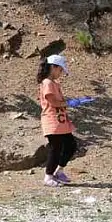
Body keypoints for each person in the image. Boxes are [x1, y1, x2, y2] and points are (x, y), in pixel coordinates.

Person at [37, 54, 79, 187]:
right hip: (52, 121)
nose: (61, 73)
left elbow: (59, 101)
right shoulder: (47, 83)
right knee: (55, 148)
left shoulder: (54, 83)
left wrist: (72, 102)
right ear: (53, 67)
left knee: (70, 145)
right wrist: (68, 103)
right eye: (60, 70)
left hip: (61, 121)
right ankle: (48, 177)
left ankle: (58, 171)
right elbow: (53, 101)